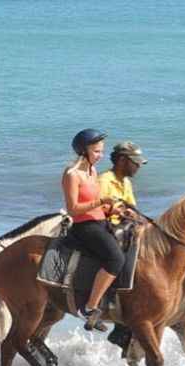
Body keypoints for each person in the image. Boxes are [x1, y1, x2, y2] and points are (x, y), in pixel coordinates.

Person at [62, 129, 125, 331]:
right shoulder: (72, 175)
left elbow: (93, 204)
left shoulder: (92, 171)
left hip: (99, 221)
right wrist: (101, 201)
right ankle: (89, 308)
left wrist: (111, 209)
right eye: (96, 151)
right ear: (84, 151)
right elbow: (73, 209)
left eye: (101, 151)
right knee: (116, 259)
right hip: (84, 226)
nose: (101, 155)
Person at [98, 141, 148, 350]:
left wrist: (136, 217)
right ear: (121, 160)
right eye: (135, 163)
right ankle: (107, 302)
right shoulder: (104, 180)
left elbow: (132, 208)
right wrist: (117, 212)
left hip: (126, 228)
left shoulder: (125, 182)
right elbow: (98, 208)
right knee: (117, 257)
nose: (138, 167)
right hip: (108, 228)